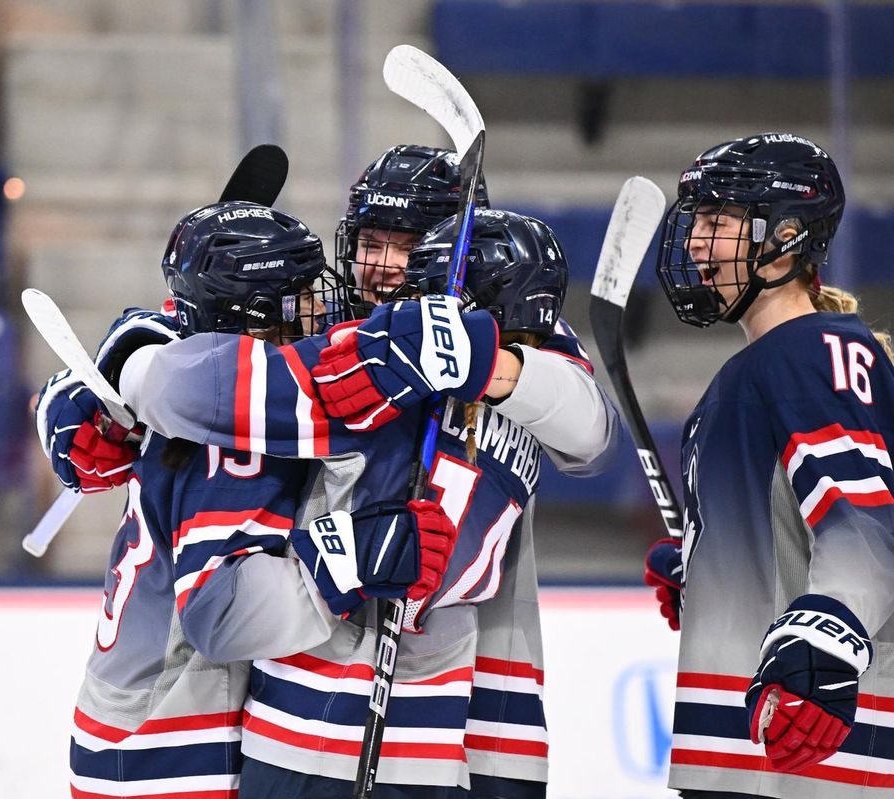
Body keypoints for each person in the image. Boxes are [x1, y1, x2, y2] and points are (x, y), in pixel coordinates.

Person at [74, 208, 621, 797]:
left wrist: (490, 363)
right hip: (204, 735)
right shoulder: (335, 371)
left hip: (432, 724)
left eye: (409, 245)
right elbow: (220, 613)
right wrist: (353, 555)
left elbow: (593, 434)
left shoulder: (500, 344)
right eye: (370, 243)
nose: (386, 268)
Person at [39, 201, 455, 798]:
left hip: (135, 728)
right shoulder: (234, 439)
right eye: (300, 296)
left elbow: (173, 345)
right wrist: (355, 558)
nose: (320, 306)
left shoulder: (217, 394)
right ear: (256, 320)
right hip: (171, 744)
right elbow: (220, 613)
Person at [645, 132, 894, 799]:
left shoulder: (810, 350)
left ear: (785, 235)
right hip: (752, 745)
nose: (696, 240)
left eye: (718, 220)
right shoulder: (765, 363)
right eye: (696, 220)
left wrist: (827, 644)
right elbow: (797, 522)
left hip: (805, 748)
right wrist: (713, 559)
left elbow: (864, 524)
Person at [337, 144, 488, 310]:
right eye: (371, 246)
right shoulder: (320, 328)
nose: (385, 264)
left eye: (411, 249)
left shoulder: (495, 335)